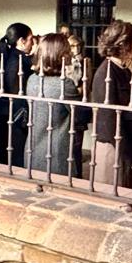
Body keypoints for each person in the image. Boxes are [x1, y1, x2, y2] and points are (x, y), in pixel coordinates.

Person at [26, 33, 92, 178]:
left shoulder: (32, 79)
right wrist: (83, 87)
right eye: (67, 50)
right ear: (59, 55)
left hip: (33, 148)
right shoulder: (63, 84)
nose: (70, 53)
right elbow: (82, 115)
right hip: (57, 153)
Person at [90, 20, 132, 189]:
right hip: (114, 148)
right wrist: (130, 155)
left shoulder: (122, 69)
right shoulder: (106, 73)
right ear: (123, 45)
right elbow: (110, 121)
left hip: (124, 147)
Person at [0, 24, 35, 166]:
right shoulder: (19, 61)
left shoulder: (6, 57)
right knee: (16, 159)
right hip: (17, 116)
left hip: (3, 113)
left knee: (5, 157)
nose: (32, 43)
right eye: (30, 39)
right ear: (22, 41)